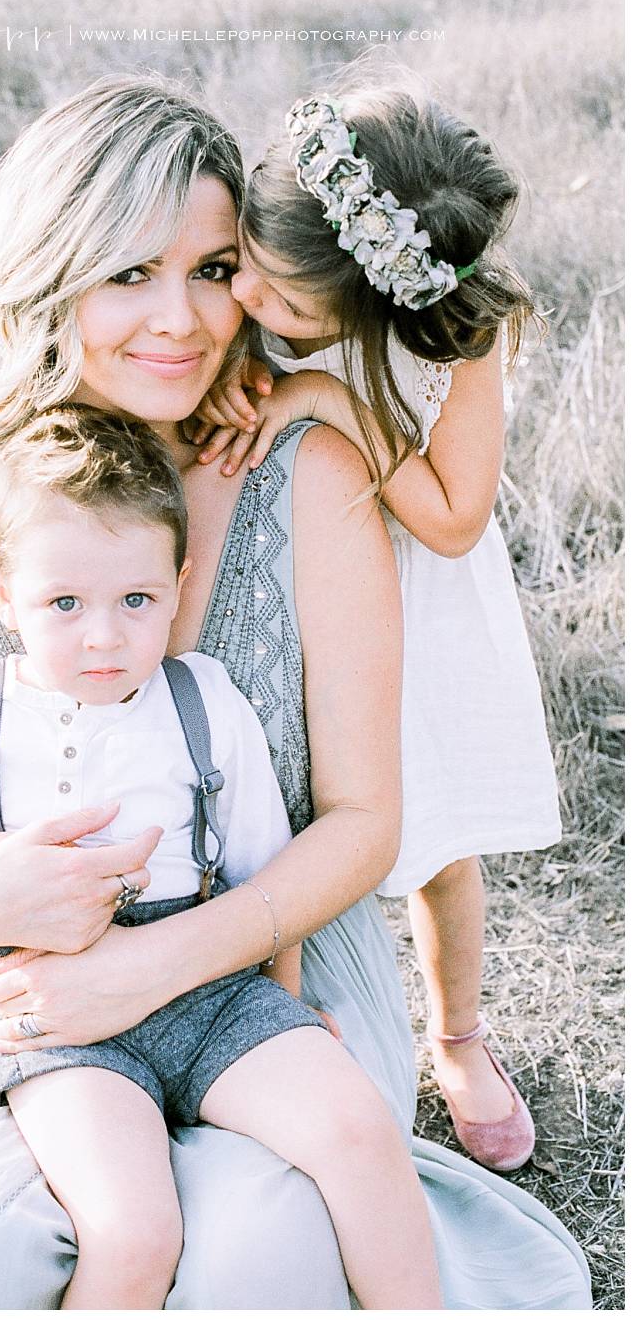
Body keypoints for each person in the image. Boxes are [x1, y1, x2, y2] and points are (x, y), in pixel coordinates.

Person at [0, 74, 589, 1310]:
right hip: (25, 987)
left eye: (212, 267)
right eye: (129, 274)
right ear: (51, 276)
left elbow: (365, 818)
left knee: (259, 1253)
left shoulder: (305, 470)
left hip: (272, 952)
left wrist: (161, 965)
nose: (185, 320)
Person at [0, 405, 443, 1310]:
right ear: (1, 595)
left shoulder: (201, 698)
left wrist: (282, 1005)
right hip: (60, 1010)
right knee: (132, 1227)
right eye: (63, 604)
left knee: (356, 1129)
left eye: (136, 600)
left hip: (213, 982)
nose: (102, 636)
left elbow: (259, 861)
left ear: (179, 581)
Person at [193, 76, 561, 1173]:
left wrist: (336, 404)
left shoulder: (458, 335)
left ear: (367, 301)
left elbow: (452, 518)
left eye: (281, 298)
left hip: (418, 604)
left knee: (432, 839)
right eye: (241, 264)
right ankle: (278, 1017)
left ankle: (457, 1035)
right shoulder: (265, 280)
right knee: (280, 813)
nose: (247, 291)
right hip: (293, 577)